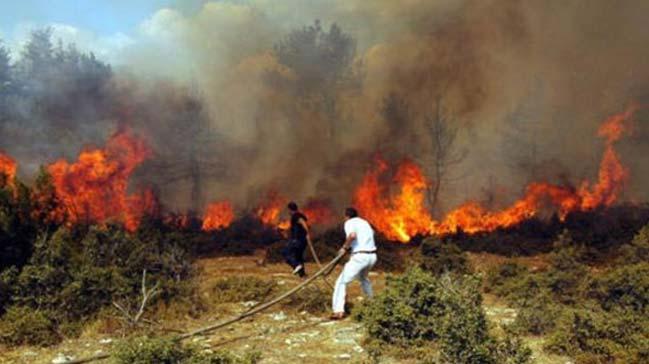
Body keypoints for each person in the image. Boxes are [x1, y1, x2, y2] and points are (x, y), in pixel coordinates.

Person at [331, 207, 377, 320]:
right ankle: (373, 305)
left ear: (346, 216)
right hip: (372, 256)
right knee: (363, 278)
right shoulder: (365, 222)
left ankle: (338, 311)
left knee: (341, 282)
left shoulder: (349, 222)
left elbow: (352, 236)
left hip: (360, 257)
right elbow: (373, 233)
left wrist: (344, 248)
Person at [281, 201, 311, 277]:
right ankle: (302, 275)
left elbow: (303, 223)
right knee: (298, 256)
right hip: (302, 241)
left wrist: (307, 233)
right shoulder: (299, 215)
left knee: (285, 252)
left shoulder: (296, 216)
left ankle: (296, 265)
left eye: (288, 210)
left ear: (290, 209)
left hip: (298, 240)